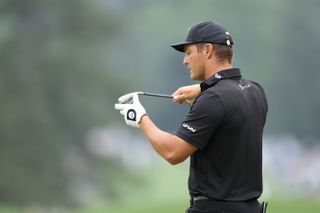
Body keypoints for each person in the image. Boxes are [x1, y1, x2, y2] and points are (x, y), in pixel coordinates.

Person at [115, 20, 268, 213]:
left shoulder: (212, 99)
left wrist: (140, 117)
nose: (185, 60)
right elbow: (229, 90)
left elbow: (173, 153)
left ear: (208, 50)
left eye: (188, 53)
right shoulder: (255, 91)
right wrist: (202, 88)